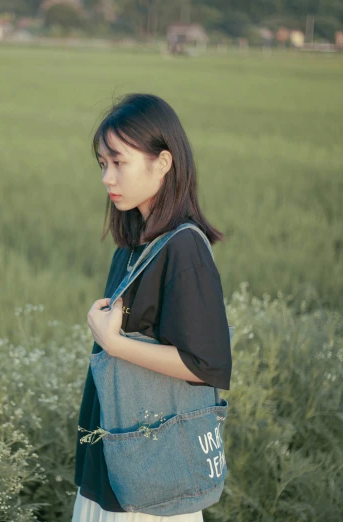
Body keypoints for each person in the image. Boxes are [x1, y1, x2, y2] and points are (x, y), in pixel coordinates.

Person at [73, 93, 233, 521]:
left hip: (150, 487)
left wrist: (115, 344)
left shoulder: (183, 248)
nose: (108, 177)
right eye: (102, 164)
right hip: (113, 470)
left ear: (162, 162)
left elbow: (208, 364)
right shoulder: (135, 247)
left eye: (119, 162)